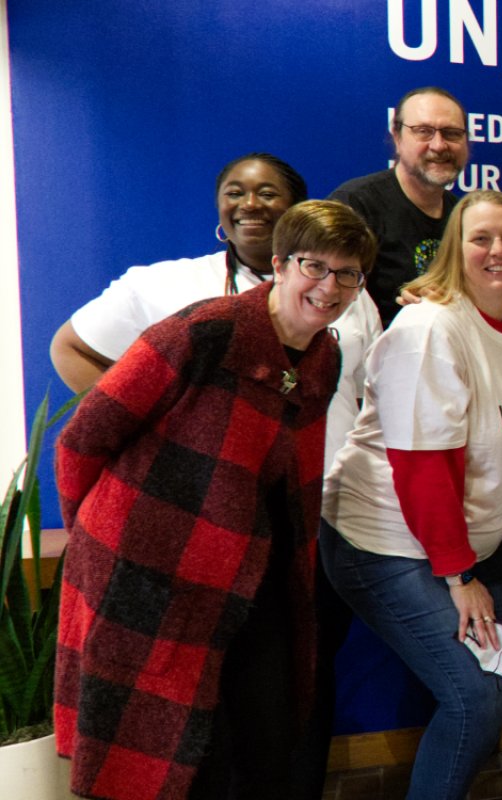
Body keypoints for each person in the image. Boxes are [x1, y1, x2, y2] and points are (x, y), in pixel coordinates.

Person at [55, 200, 376, 799]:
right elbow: (84, 436)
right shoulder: (203, 330)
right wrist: (98, 544)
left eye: (347, 274)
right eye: (314, 266)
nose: (329, 287)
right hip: (153, 574)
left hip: (256, 571)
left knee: (269, 740)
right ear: (279, 264)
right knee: (170, 761)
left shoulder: (325, 355)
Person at [320, 191, 502, 799]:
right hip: (388, 542)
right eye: (480, 239)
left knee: (501, 683)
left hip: (473, 539)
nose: (498, 251)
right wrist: (458, 576)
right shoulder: (430, 328)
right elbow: (423, 469)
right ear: (454, 250)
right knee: (476, 696)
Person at [51, 154, 382, 470]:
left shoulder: (344, 288)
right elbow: (70, 347)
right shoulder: (165, 285)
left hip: (326, 491)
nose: (249, 204)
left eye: (267, 193)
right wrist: (145, 434)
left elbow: (367, 395)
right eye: (234, 193)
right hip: (209, 494)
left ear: (297, 212)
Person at [330, 86, 469, 325]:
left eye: (452, 133)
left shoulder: (465, 216)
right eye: (423, 132)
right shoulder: (355, 205)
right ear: (397, 138)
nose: (438, 145)